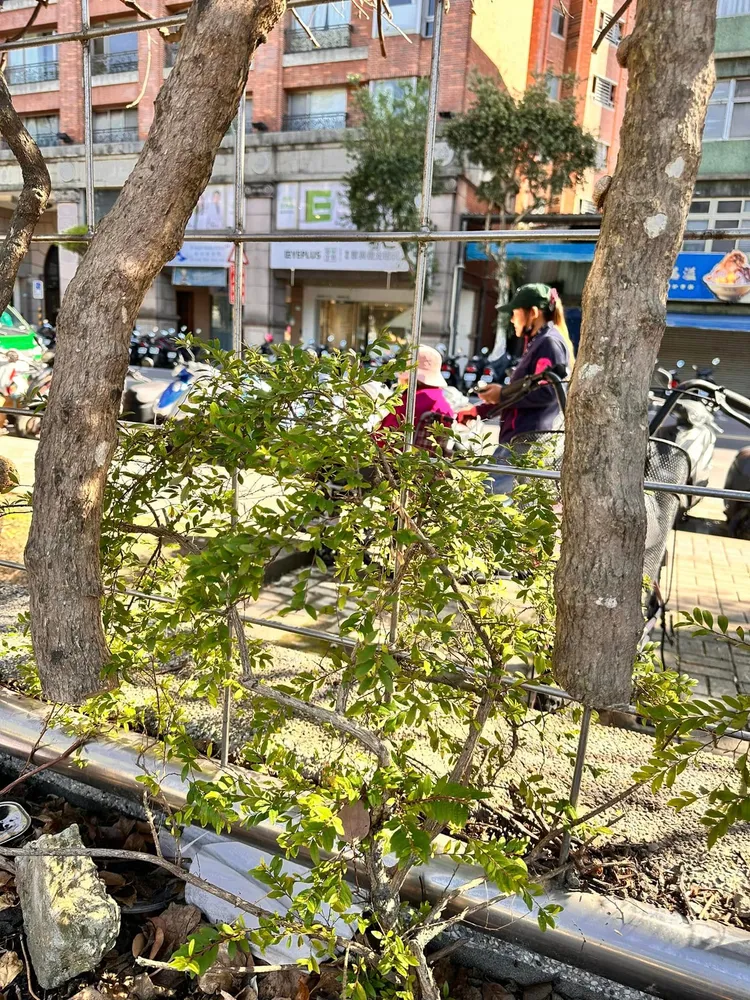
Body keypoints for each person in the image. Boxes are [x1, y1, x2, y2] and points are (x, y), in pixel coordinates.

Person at [459, 283, 572, 494]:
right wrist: (479, 409)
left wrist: (501, 394)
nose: (512, 319)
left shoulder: (549, 343)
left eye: (515, 312)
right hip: (518, 438)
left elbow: (548, 391)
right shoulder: (538, 342)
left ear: (533, 313)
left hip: (527, 441)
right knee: (508, 502)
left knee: (487, 497)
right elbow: (522, 391)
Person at [379, 344, 455, 453]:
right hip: (429, 461)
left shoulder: (410, 402)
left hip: (397, 459)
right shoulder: (444, 404)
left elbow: (383, 437)